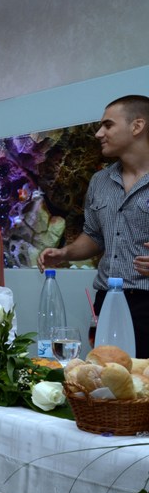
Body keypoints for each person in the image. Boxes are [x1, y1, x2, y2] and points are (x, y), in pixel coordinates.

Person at [39, 94, 149, 357]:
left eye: (108, 125)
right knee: (107, 376)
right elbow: (94, 236)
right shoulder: (100, 181)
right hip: (107, 299)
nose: (99, 133)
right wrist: (64, 253)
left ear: (137, 126)